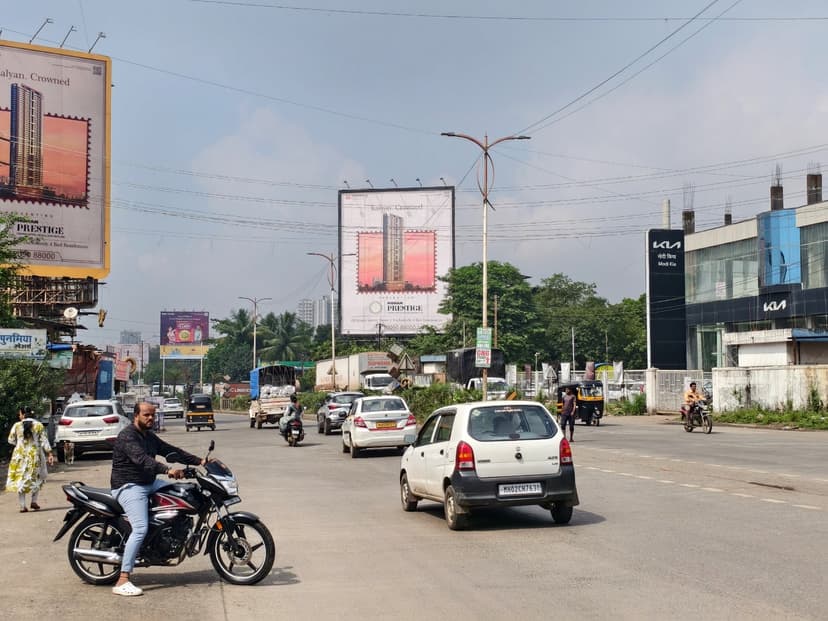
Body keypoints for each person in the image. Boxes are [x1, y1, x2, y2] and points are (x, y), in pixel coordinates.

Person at [110, 402, 205, 597]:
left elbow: (171, 450)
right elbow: (143, 460)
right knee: (140, 528)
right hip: (129, 486)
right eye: (146, 415)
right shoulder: (127, 436)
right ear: (136, 416)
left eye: (153, 415)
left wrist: (201, 461)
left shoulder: (149, 436)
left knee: (185, 492)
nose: (151, 418)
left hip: (149, 483)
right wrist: (168, 470)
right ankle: (123, 579)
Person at [6, 406, 55, 512]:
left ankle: (22, 506)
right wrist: (50, 454)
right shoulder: (38, 425)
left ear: (23, 414)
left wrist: (19, 444)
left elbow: (10, 440)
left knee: (21, 478)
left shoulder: (17, 425)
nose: (19, 416)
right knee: (37, 477)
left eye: (19, 414)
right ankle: (34, 501)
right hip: (35, 454)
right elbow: (44, 441)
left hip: (20, 455)